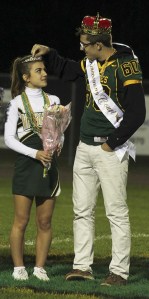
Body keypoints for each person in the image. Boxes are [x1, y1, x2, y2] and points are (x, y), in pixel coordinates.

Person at [31, 12, 146, 286]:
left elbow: (137, 113)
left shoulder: (126, 65)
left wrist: (112, 142)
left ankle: (118, 271)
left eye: (84, 45)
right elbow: (68, 69)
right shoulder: (91, 63)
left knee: (116, 212)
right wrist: (49, 53)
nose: (81, 49)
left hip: (109, 151)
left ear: (98, 45)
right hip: (84, 147)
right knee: (82, 210)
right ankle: (82, 266)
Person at [4, 55, 61, 281]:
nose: (44, 73)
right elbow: (9, 139)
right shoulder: (16, 103)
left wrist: (58, 145)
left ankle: (40, 268)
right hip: (27, 164)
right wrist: (34, 153)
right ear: (26, 77)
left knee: (45, 221)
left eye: (44, 70)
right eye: (39, 71)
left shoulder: (54, 100)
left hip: (49, 165)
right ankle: (19, 267)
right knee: (21, 220)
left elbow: (60, 133)